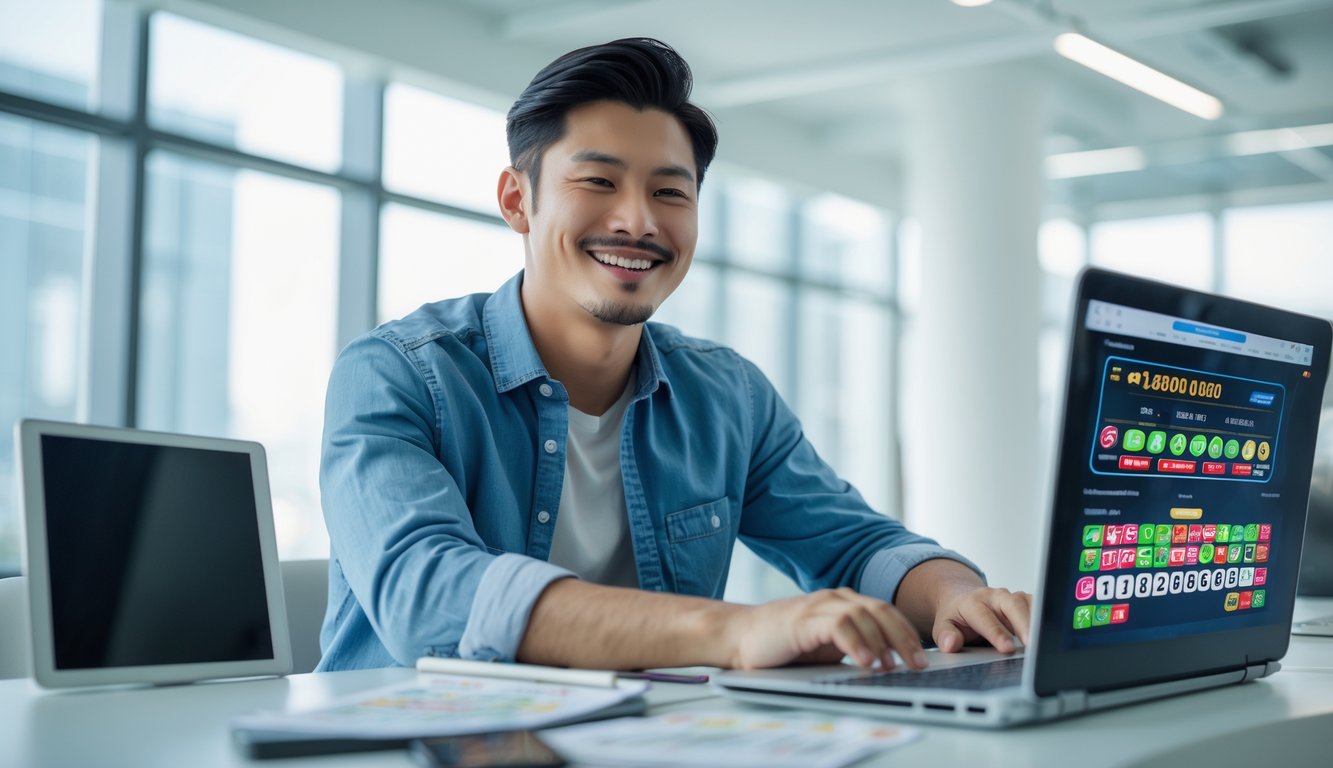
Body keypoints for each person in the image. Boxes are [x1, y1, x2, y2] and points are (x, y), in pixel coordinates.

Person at [317, 37, 1030, 673]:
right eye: (598, 182)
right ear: (516, 201)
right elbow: (426, 594)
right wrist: (731, 631)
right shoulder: (397, 373)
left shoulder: (727, 394)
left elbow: (852, 546)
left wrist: (956, 597)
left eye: (668, 192)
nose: (638, 221)